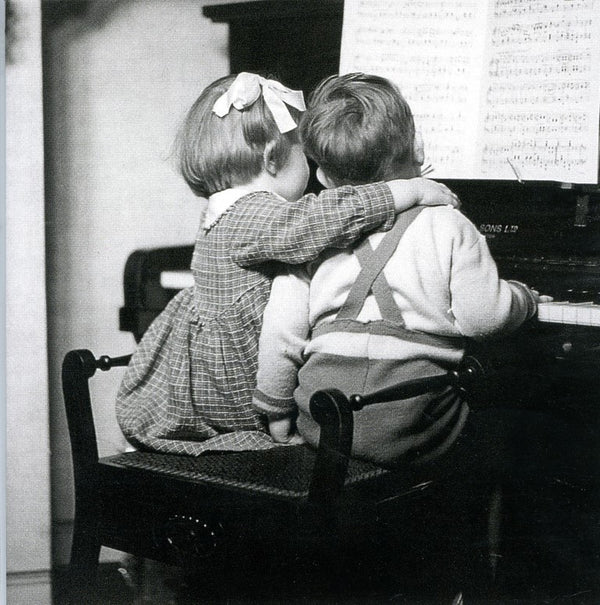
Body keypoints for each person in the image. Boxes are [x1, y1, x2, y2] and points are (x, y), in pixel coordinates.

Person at [116, 72, 459, 456]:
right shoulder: (255, 214)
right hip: (244, 391)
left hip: (221, 373)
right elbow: (322, 220)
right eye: (305, 152)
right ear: (273, 159)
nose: (313, 165)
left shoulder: (226, 209)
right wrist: (407, 190)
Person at [251, 72, 548, 467]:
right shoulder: (450, 223)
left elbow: (280, 332)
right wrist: (524, 298)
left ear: (322, 176)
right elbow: (484, 320)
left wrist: (276, 412)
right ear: (418, 149)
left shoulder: (312, 236)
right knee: (522, 427)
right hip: (416, 424)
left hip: (322, 423)